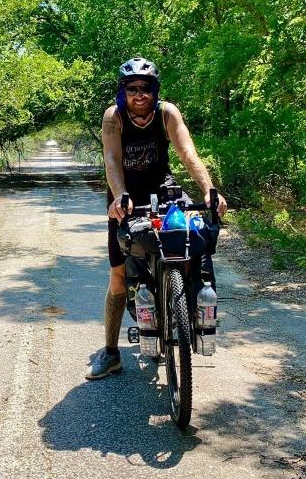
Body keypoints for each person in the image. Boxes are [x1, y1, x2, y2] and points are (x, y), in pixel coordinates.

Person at [86, 57, 228, 380]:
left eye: (145, 88)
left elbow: (188, 152)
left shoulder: (166, 113)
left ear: (155, 90)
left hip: (163, 189)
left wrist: (209, 190)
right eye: (132, 89)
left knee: (192, 237)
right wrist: (120, 195)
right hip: (124, 196)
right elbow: (111, 161)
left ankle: (192, 306)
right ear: (123, 92)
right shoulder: (114, 118)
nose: (139, 95)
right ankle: (111, 353)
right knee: (119, 278)